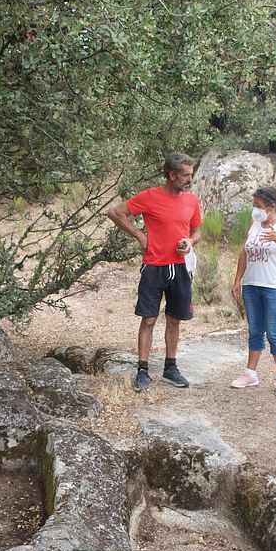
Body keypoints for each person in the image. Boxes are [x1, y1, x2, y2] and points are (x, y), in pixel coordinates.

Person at [108, 153, 202, 392]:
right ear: (171, 175)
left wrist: (190, 242)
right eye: (186, 175)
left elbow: (197, 232)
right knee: (149, 319)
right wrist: (140, 236)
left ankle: (170, 368)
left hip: (180, 267)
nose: (190, 179)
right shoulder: (150, 196)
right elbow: (116, 212)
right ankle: (142, 370)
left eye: (191, 174)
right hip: (154, 267)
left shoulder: (191, 200)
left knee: (174, 319)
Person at [230, 186, 276, 396]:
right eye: (254, 205)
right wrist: (238, 280)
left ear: (272, 206)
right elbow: (244, 253)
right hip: (253, 284)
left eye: (258, 206)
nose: (255, 210)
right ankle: (250, 373)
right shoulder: (254, 224)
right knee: (255, 329)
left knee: (274, 331)